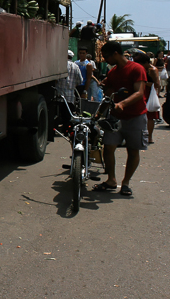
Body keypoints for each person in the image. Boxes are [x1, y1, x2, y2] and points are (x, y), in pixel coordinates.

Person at [94, 41, 147, 196]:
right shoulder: (112, 73)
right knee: (108, 147)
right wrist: (100, 112)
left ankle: (126, 183)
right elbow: (109, 95)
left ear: (115, 54)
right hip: (115, 118)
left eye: (106, 57)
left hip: (136, 116)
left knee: (133, 150)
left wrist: (123, 103)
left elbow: (139, 92)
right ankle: (111, 180)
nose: (105, 60)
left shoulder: (136, 69)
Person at [134, 53, 161, 141]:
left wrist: (144, 82)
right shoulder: (141, 69)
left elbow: (157, 84)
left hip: (149, 93)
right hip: (142, 92)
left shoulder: (152, 69)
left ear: (145, 62)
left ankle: (149, 136)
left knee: (150, 116)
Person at [56, 50, 83, 124]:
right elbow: (80, 81)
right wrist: (72, 85)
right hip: (70, 97)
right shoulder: (76, 66)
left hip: (59, 95)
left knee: (57, 114)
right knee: (67, 116)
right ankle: (66, 131)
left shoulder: (61, 65)